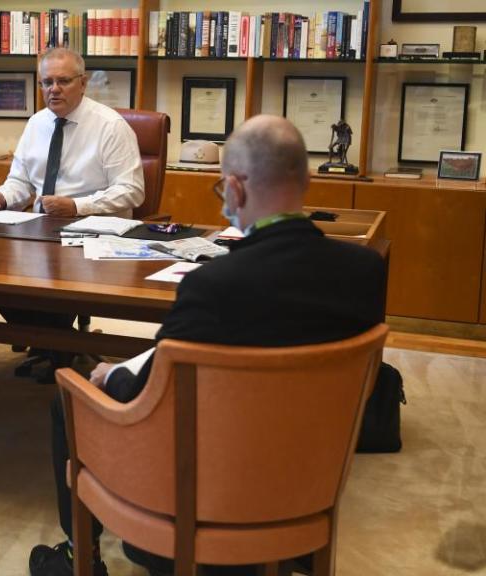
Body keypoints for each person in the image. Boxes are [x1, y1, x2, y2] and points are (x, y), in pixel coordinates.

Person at [28, 115, 386, 576]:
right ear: (308, 180)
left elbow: (155, 389)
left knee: (70, 398)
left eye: (222, 193)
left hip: (206, 487)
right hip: (306, 472)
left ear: (235, 190)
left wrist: (110, 374)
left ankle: (83, 557)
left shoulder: (212, 285)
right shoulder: (365, 271)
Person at [0, 47, 145, 382]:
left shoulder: (110, 127)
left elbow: (132, 191)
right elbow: (21, 182)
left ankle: (57, 344)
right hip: (40, 231)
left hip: (94, 234)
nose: (53, 89)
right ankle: (55, 342)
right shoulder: (37, 123)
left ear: (83, 83)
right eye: (47, 82)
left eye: (63, 81)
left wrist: (77, 206)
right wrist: (2, 198)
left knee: (52, 277)